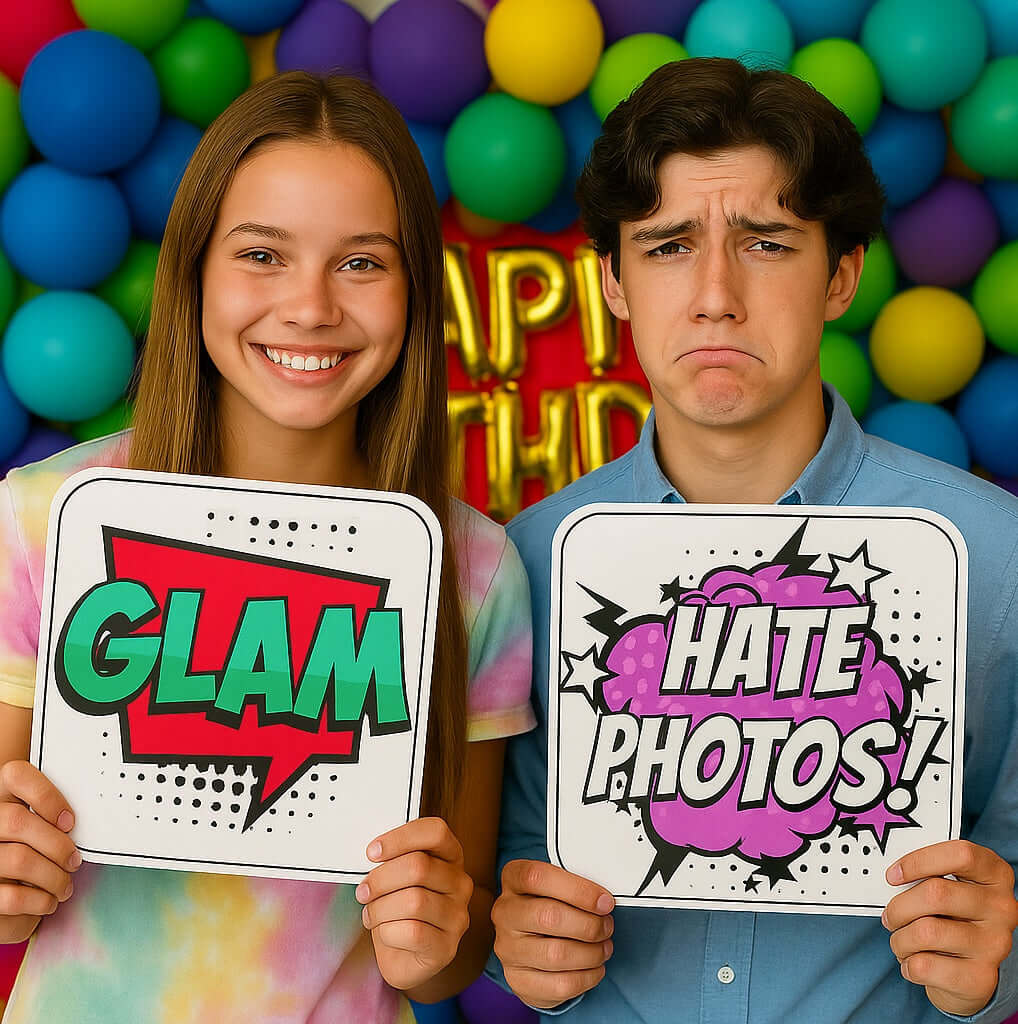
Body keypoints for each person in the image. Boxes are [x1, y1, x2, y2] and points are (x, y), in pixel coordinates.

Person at [489, 57, 1018, 1023]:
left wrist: (999, 968)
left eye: (767, 243)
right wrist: (516, 944)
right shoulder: (522, 563)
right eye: (666, 246)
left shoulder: (997, 560)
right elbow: (510, 871)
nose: (715, 296)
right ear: (611, 282)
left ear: (841, 275)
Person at [0, 72, 534, 1023]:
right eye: (262, 254)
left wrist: (443, 941)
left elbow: (458, 942)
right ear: (195, 267)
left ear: (415, 289)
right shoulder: (47, 517)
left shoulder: (475, 570)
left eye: (362, 263)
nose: (310, 307)